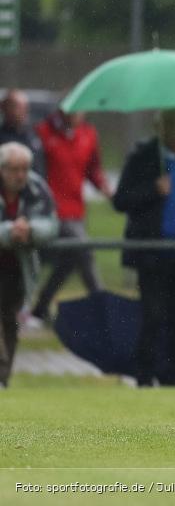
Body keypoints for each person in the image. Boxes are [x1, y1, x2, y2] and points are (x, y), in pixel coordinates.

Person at [113, 109, 175, 387]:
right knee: (154, 318)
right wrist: (152, 190)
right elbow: (121, 200)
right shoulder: (143, 158)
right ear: (160, 127)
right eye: (172, 124)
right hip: (153, 256)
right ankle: (145, 377)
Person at [26, 109, 113, 328]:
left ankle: (40, 308)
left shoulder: (88, 134)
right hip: (52, 209)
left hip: (77, 209)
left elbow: (93, 169)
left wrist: (102, 185)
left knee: (69, 261)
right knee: (84, 252)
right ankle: (101, 307)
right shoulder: (43, 133)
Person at [0, 143, 58, 388]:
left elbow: (52, 224)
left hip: (17, 269)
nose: (20, 175)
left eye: (24, 168)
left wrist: (30, 230)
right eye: (14, 169)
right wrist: (8, 231)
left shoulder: (36, 188)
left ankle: (4, 378)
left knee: (10, 322)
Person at [0, 90, 45, 176]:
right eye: (17, 106)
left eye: (25, 107)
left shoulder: (34, 134)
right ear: (4, 108)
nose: (23, 111)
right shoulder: (2, 137)